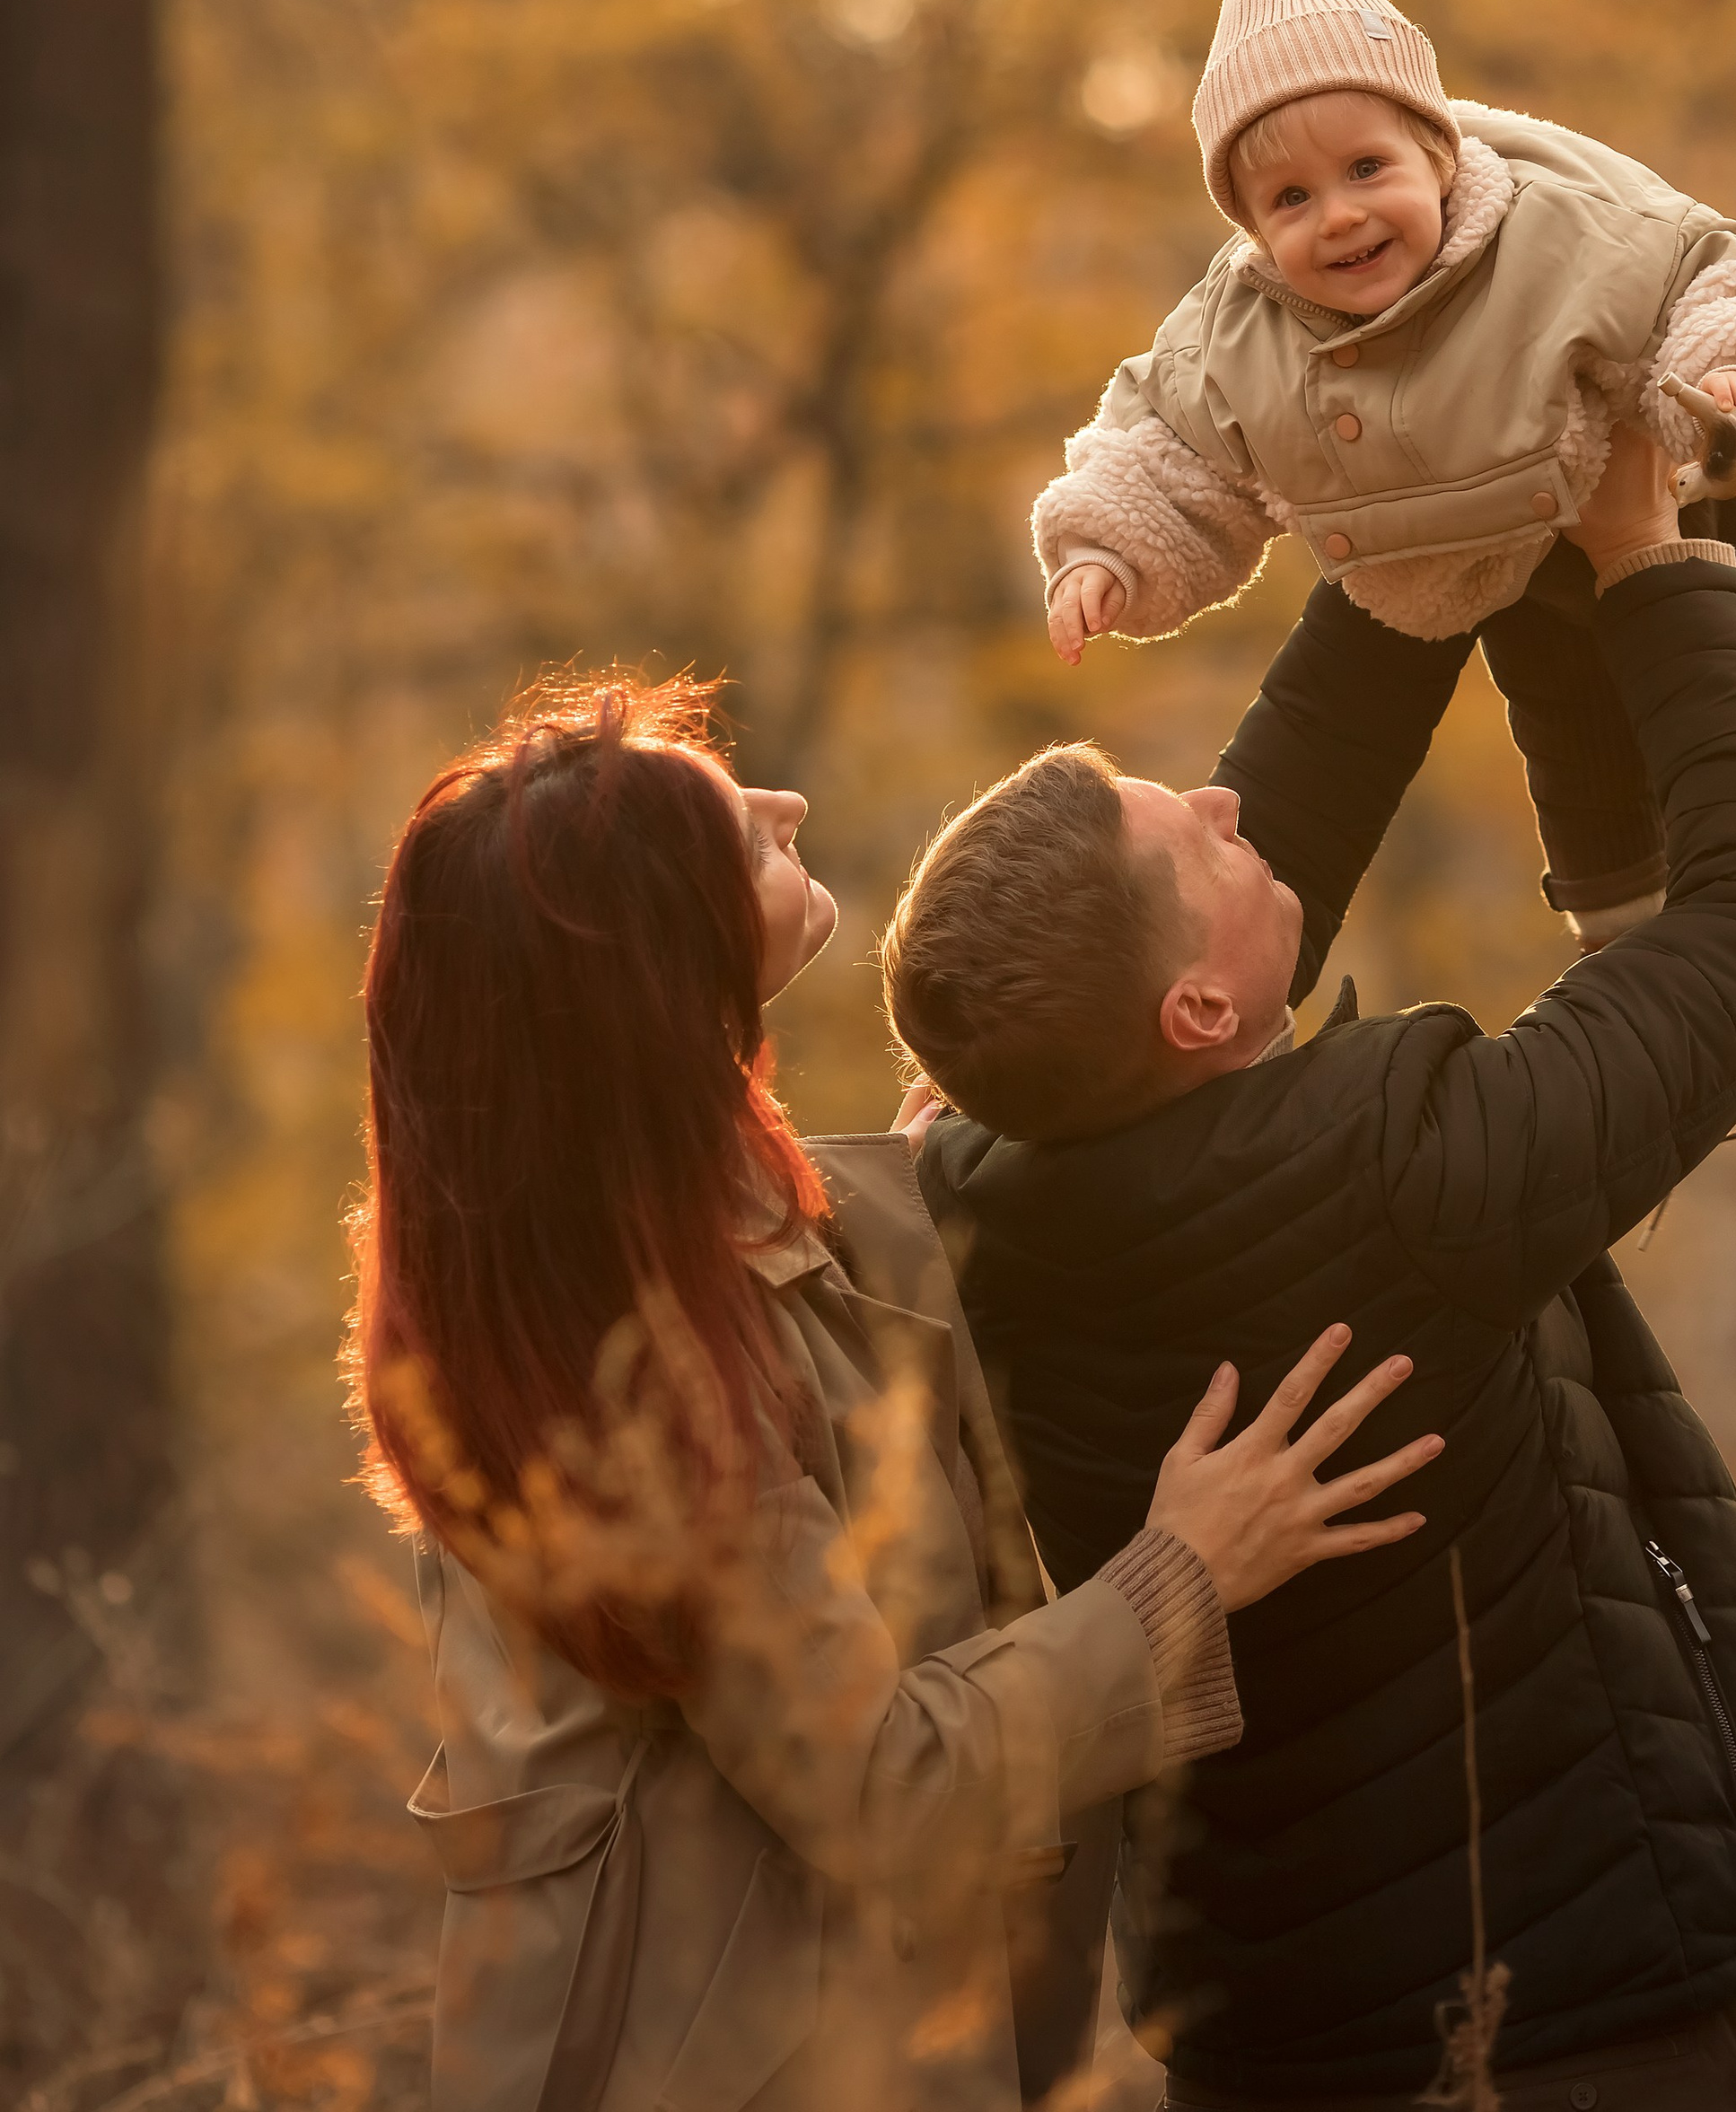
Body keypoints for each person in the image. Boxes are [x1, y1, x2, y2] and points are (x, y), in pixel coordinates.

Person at [887, 428, 1736, 2110]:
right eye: (1200, 838)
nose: (1236, 806)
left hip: (1267, 2047)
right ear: (1192, 1015)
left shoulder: (983, 1181)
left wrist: (1437, 498)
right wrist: (1654, 567)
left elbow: (1256, 869)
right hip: (1577, 2034)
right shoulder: (1413, 1174)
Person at [347, 672, 1445, 2112]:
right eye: (738, 837)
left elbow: (1176, 934)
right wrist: (1185, 1572)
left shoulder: (676, 1218)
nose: (786, 805)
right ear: (654, 974)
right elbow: (892, 1791)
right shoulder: (635, 1390)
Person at [1033, 0, 1736, 1103]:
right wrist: (1105, 552)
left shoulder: (1558, 228)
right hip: (1467, 565)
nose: (1341, 216)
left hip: (1677, 485)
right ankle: (1643, 1002)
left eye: (1367, 170)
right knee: (1582, 778)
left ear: (1438, 153)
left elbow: (1714, 275)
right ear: (1250, 232)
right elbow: (1159, 447)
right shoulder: (1236, 332)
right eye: (1291, 199)